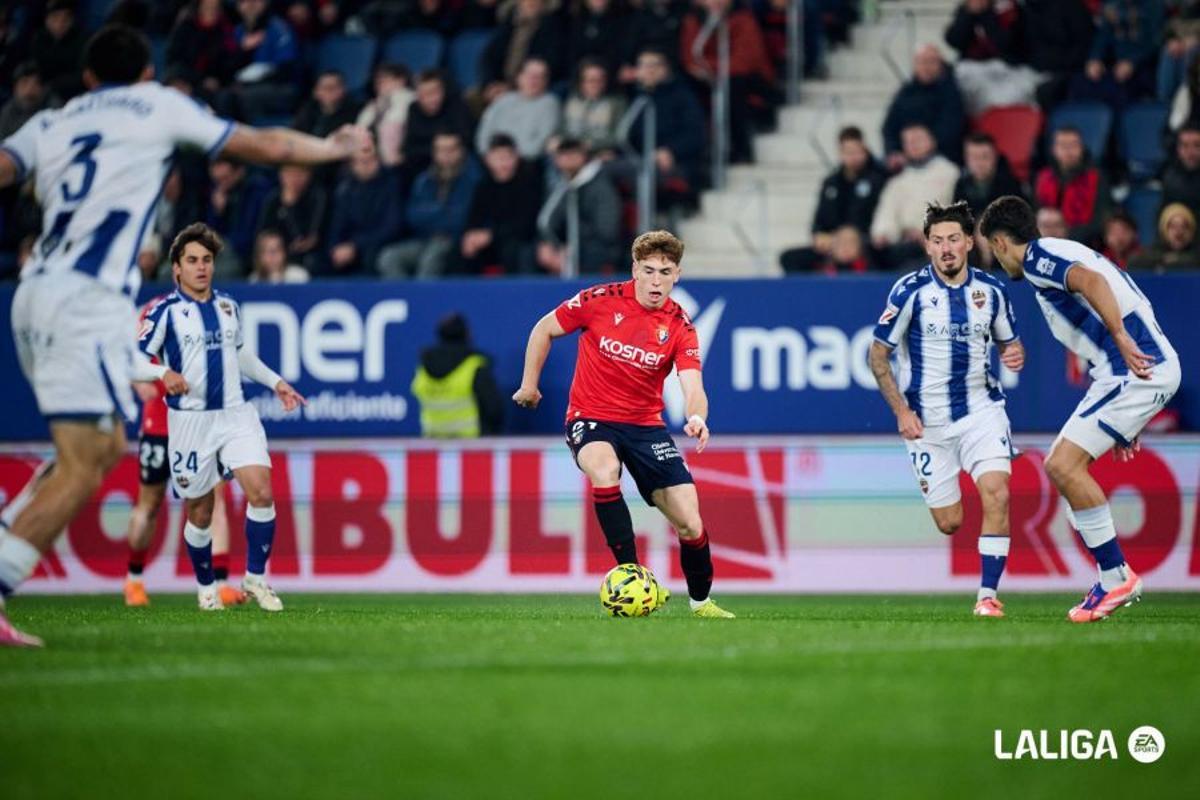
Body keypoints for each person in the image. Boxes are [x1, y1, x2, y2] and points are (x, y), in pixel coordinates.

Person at [0, 24, 365, 646]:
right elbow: (266, 146)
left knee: (89, 449)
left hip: (31, 292)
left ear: (88, 77)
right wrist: (332, 149)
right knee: (90, 458)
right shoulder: (157, 106)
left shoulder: (49, 122)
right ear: (145, 72)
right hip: (86, 299)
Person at [512, 230, 735, 619]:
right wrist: (529, 384)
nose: (655, 280)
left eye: (665, 272)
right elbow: (543, 328)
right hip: (591, 416)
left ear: (677, 275)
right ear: (635, 269)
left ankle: (701, 604)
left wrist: (697, 416)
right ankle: (631, 573)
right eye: (648, 270)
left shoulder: (681, 326)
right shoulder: (599, 300)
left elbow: (692, 385)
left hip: (646, 427)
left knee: (690, 520)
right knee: (604, 468)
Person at [980, 195, 1182, 623]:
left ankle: (1115, 577)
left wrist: (1122, 339)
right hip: (1129, 373)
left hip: (1133, 369)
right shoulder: (1057, 251)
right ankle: (1111, 576)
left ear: (1000, 243)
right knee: (1065, 467)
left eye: (992, 252)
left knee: (1062, 465)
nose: (996, 262)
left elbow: (1093, 283)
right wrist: (1134, 413)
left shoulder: (1039, 259)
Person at [869, 201, 1024, 617]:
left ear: (970, 243)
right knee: (950, 522)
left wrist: (1014, 353)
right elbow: (878, 356)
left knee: (997, 493)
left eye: (954, 239)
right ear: (927, 247)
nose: (946, 248)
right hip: (926, 422)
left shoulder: (992, 292)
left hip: (982, 411)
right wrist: (901, 411)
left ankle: (987, 596)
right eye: (937, 241)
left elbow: (1010, 342)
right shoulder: (909, 292)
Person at [139, 224, 304, 612]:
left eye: (207, 260)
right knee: (200, 512)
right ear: (176, 268)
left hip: (236, 414)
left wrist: (275, 381)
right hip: (190, 423)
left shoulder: (228, 306)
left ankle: (256, 578)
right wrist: (162, 373)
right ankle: (205, 587)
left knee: (261, 490)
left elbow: (240, 354)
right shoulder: (165, 312)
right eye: (192, 260)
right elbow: (132, 357)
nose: (201, 267)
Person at [124, 297, 248, 608]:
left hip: (203, 424)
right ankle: (134, 579)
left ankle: (218, 584)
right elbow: (134, 357)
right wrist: (146, 382)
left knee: (214, 502)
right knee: (150, 503)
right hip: (162, 425)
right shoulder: (158, 310)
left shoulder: (217, 308)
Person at [382, 131, 482, 278]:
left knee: (431, 258)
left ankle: (422, 300)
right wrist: (443, 211)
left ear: (460, 151)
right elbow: (412, 216)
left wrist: (432, 213)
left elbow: (461, 218)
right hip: (423, 239)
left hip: (454, 241)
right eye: (441, 150)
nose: (446, 155)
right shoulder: (424, 180)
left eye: (451, 149)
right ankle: (405, 298)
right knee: (389, 257)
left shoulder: (473, 178)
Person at [870, 124, 959, 269]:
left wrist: (926, 233)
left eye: (918, 140)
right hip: (903, 244)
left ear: (932, 141)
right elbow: (886, 214)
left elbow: (954, 212)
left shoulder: (950, 173)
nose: (913, 145)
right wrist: (884, 234)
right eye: (908, 142)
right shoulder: (898, 180)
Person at [411, 312, 505, 437]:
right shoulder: (474, 367)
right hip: (470, 448)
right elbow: (494, 410)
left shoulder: (424, 366)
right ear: (466, 334)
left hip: (432, 446)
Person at [537, 137, 622, 274]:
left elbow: (607, 230)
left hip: (595, 248)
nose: (569, 159)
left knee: (593, 253)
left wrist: (571, 247)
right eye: (564, 155)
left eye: (573, 154)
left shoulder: (599, 185)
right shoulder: (560, 185)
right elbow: (548, 220)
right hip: (567, 246)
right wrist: (550, 244)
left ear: (583, 156)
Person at [462, 133, 542, 275]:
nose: (503, 163)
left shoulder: (528, 184)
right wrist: (471, 236)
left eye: (507, 158)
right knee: (464, 249)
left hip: (519, 241)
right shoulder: (483, 186)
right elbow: (473, 219)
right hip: (492, 242)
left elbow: (526, 225)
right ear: (488, 159)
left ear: (516, 157)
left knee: (518, 250)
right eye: (498, 158)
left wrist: (491, 235)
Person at [326, 141, 405, 276]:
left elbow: (392, 227)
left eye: (371, 160)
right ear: (353, 165)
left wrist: (355, 246)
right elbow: (337, 225)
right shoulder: (345, 189)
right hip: (351, 247)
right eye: (361, 161)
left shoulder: (391, 184)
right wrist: (335, 247)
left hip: (378, 245)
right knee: (323, 260)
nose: (367, 165)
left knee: (374, 257)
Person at [881, 45, 966, 168]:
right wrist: (893, 151)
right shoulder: (906, 91)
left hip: (941, 156)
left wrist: (925, 144)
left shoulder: (951, 91)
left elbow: (952, 126)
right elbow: (889, 127)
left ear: (940, 64)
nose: (926, 67)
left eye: (931, 62)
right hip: (906, 156)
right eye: (921, 62)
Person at [1034, 126, 1112, 249]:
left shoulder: (1097, 178)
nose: (1068, 151)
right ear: (1054, 149)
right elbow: (1034, 213)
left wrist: (1067, 236)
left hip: (1084, 246)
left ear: (1081, 148)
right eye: (1063, 145)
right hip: (1045, 244)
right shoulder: (1043, 177)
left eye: (1073, 145)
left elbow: (1101, 219)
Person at [474, 58, 562, 160]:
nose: (534, 80)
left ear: (546, 81)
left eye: (540, 77)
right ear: (519, 77)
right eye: (529, 75)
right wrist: (492, 156)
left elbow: (538, 145)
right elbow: (483, 135)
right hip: (493, 161)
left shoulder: (550, 104)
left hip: (526, 163)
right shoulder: (503, 100)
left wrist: (508, 158)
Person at [1128, 202, 1200, 272]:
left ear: (1191, 231)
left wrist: (1175, 259)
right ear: (1164, 230)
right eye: (1173, 227)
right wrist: (1163, 259)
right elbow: (1133, 264)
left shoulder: (1196, 254)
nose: (1179, 232)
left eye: (1184, 227)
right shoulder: (1152, 252)